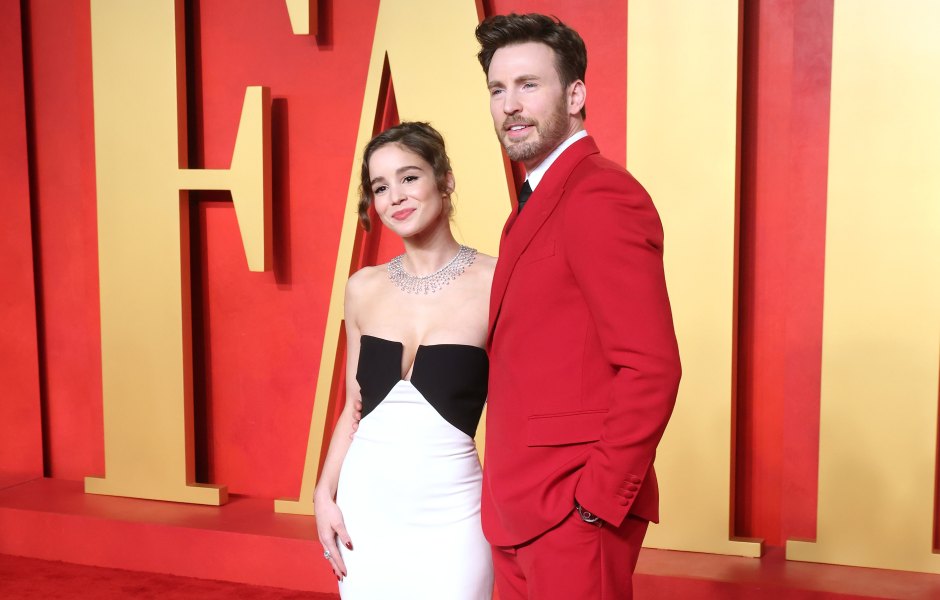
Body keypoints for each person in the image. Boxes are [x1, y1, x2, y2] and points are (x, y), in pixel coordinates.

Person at [475, 13, 682, 599]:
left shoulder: (601, 194)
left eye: (528, 85)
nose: (510, 105)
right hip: (516, 512)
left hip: (572, 514)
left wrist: (596, 502)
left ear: (576, 94)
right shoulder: (531, 205)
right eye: (498, 89)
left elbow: (652, 366)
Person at [312, 122, 495, 599]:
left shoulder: (496, 281)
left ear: (445, 180)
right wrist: (324, 493)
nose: (395, 196)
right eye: (380, 186)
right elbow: (354, 405)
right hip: (366, 511)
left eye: (409, 177)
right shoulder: (362, 288)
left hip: (456, 514)